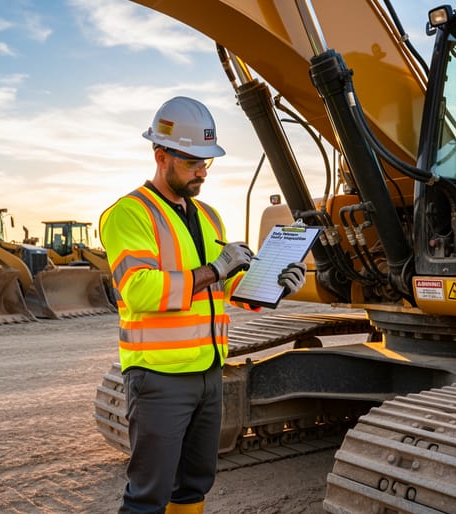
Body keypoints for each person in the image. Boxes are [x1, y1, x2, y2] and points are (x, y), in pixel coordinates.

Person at [99, 96, 307, 514]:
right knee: (148, 496)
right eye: (194, 163)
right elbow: (140, 290)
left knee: (193, 486)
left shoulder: (209, 216)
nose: (202, 173)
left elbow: (222, 292)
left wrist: (272, 287)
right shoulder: (129, 214)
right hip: (159, 378)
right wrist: (215, 268)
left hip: (209, 372)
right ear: (161, 156)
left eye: (206, 163)